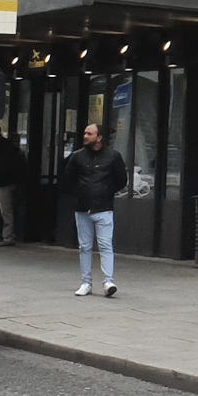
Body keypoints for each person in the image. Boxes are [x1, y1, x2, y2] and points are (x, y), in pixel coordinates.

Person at [60, 123, 127, 297]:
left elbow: (121, 180)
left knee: (105, 245)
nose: (85, 136)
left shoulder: (113, 157)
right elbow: (67, 179)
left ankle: (108, 281)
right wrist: (78, 194)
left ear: (99, 137)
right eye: (85, 133)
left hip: (104, 208)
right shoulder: (77, 157)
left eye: (89, 134)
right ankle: (86, 282)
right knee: (84, 246)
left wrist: (105, 191)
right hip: (82, 208)